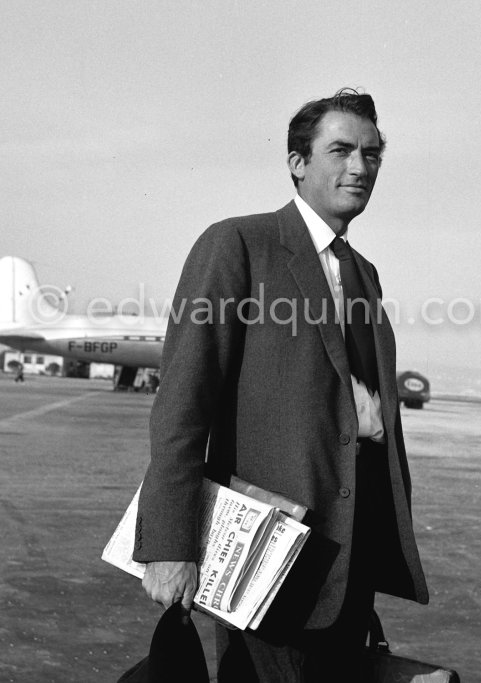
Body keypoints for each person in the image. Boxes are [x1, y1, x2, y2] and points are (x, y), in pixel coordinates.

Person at [133, 88, 429, 681]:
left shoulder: (361, 272)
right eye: (341, 150)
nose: (360, 168)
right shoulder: (238, 244)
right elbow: (182, 403)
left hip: (347, 567)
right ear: (297, 162)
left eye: (371, 155)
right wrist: (170, 544)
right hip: (264, 564)